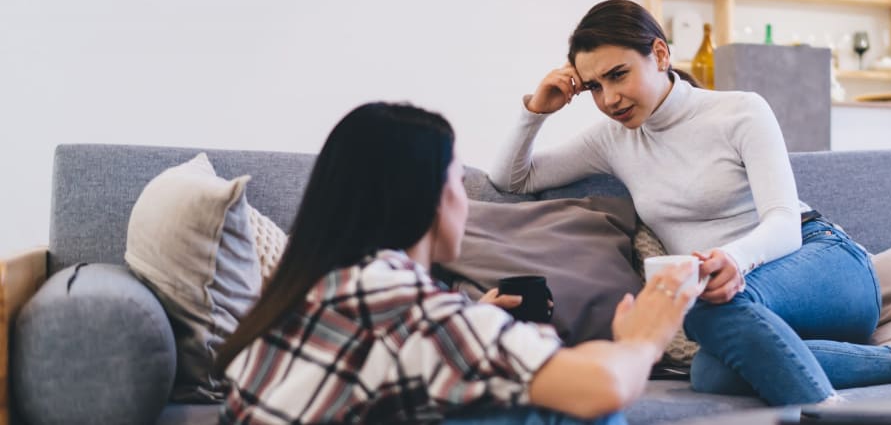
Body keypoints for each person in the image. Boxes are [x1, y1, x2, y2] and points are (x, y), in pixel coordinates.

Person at [489, 0, 891, 407]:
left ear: (659, 54)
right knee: (710, 372)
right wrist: (535, 110)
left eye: (619, 75)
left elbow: (783, 221)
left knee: (703, 306)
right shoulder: (612, 139)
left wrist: (734, 260)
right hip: (734, 303)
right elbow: (512, 179)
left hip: (824, 264)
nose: (608, 98)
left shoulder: (739, 110)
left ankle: (829, 415)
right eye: (593, 87)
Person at [215, 102, 699, 424]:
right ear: (429, 198)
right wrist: (645, 336)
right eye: (456, 181)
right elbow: (604, 388)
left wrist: (473, 320)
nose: (465, 200)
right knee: (570, 409)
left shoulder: (304, 292)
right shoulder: (416, 314)